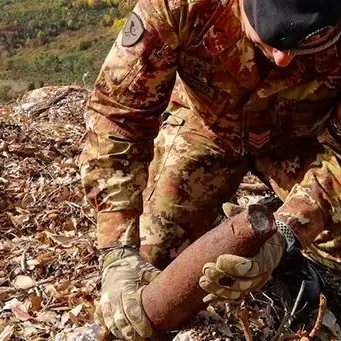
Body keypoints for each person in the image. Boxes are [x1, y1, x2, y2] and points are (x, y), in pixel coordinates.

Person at [79, 0, 341, 339]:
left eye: (311, 40)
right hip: (207, 130)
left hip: (307, 141)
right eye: (273, 37)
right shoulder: (180, 7)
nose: (283, 58)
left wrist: (286, 232)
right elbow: (117, 117)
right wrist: (117, 251)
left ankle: (303, 275)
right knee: (152, 262)